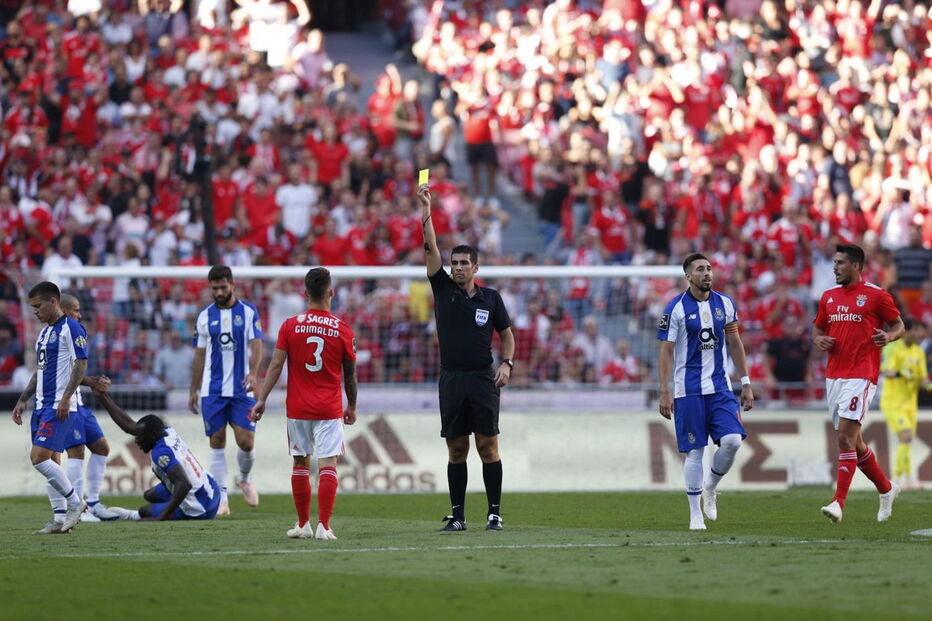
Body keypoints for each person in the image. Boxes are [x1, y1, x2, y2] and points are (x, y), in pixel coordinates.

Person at [417, 184, 515, 532]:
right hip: (452, 378)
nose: (456, 268)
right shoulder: (443, 290)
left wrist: (507, 362)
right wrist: (426, 211)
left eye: (463, 264)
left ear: (475, 267)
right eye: (454, 263)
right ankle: (458, 515)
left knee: (488, 447)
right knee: (456, 449)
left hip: (482, 378)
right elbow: (430, 248)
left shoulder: (490, 298)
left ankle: (494, 513)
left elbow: (506, 333)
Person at [250, 267, 357, 540]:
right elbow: (350, 376)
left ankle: (302, 524)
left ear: (306, 293)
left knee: (300, 463)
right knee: (328, 465)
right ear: (331, 292)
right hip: (329, 408)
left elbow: (275, 365)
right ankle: (324, 526)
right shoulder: (343, 330)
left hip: (297, 408)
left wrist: (262, 398)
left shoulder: (289, 325)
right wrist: (352, 406)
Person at [657, 253, 754, 531]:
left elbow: (735, 343)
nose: (707, 273)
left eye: (709, 268)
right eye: (700, 269)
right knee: (695, 452)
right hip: (688, 391)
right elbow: (665, 352)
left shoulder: (725, 303)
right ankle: (695, 515)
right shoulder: (674, 309)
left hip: (720, 387)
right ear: (688, 276)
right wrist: (664, 391)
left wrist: (745, 382)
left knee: (733, 441)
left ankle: (710, 486)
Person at [813, 244, 905, 523]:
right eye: (834, 262)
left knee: (844, 439)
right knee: (856, 443)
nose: (835, 267)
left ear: (855, 265)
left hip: (862, 374)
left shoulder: (877, 296)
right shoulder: (828, 297)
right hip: (834, 376)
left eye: (840, 262)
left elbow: (900, 325)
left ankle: (838, 503)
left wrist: (888, 338)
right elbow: (818, 328)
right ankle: (886, 489)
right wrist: (819, 339)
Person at [10, 282, 87, 534]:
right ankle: (59, 518)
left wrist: (66, 398)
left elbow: (81, 364)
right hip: (41, 405)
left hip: (59, 406)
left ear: (53, 302)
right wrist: (23, 399)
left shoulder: (72, 328)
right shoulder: (44, 333)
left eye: (38, 306)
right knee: (52, 461)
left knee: (38, 458)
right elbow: (39, 372)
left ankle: (76, 502)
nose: (35, 312)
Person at [189, 265, 264, 514]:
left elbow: (257, 344)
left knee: (246, 442)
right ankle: (221, 498)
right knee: (217, 441)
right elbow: (199, 355)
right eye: (214, 288)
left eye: (223, 287)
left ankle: (243, 478)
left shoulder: (249, 312)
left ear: (232, 285)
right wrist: (194, 390)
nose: (219, 292)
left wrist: (253, 374)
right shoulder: (204, 316)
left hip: (242, 389)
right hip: (213, 390)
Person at [93, 384, 222, 521]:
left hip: (201, 507)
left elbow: (184, 485)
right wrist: (102, 395)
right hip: (211, 490)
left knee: (144, 510)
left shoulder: (161, 454)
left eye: (140, 437)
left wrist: (161, 517)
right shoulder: (166, 432)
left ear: (152, 435)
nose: (136, 441)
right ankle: (171, 505)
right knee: (149, 495)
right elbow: (130, 425)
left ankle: (134, 515)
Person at [58, 293, 121, 522]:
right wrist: (91, 381)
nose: (80, 314)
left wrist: (91, 380)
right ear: (64, 311)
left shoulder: (74, 331)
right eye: (75, 310)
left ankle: (93, 503)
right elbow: (61, 373)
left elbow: (75, 371)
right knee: (76, 453)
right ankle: (76, 508)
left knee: (102, 447)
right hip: (65, 402)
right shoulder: (60, 333)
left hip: (79, 402)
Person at [879, 319, 927, 490]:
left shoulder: (918, 352)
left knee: (906, 441)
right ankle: (897, 478)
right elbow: (886, 371)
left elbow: (923, 380)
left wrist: (928, 386)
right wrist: (901, 373)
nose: (920, 334)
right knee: (906, 436)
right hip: (893, 402)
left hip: (910, 404)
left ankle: (909, 479)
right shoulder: (893, 348)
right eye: (917, 330)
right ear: (906, 331)